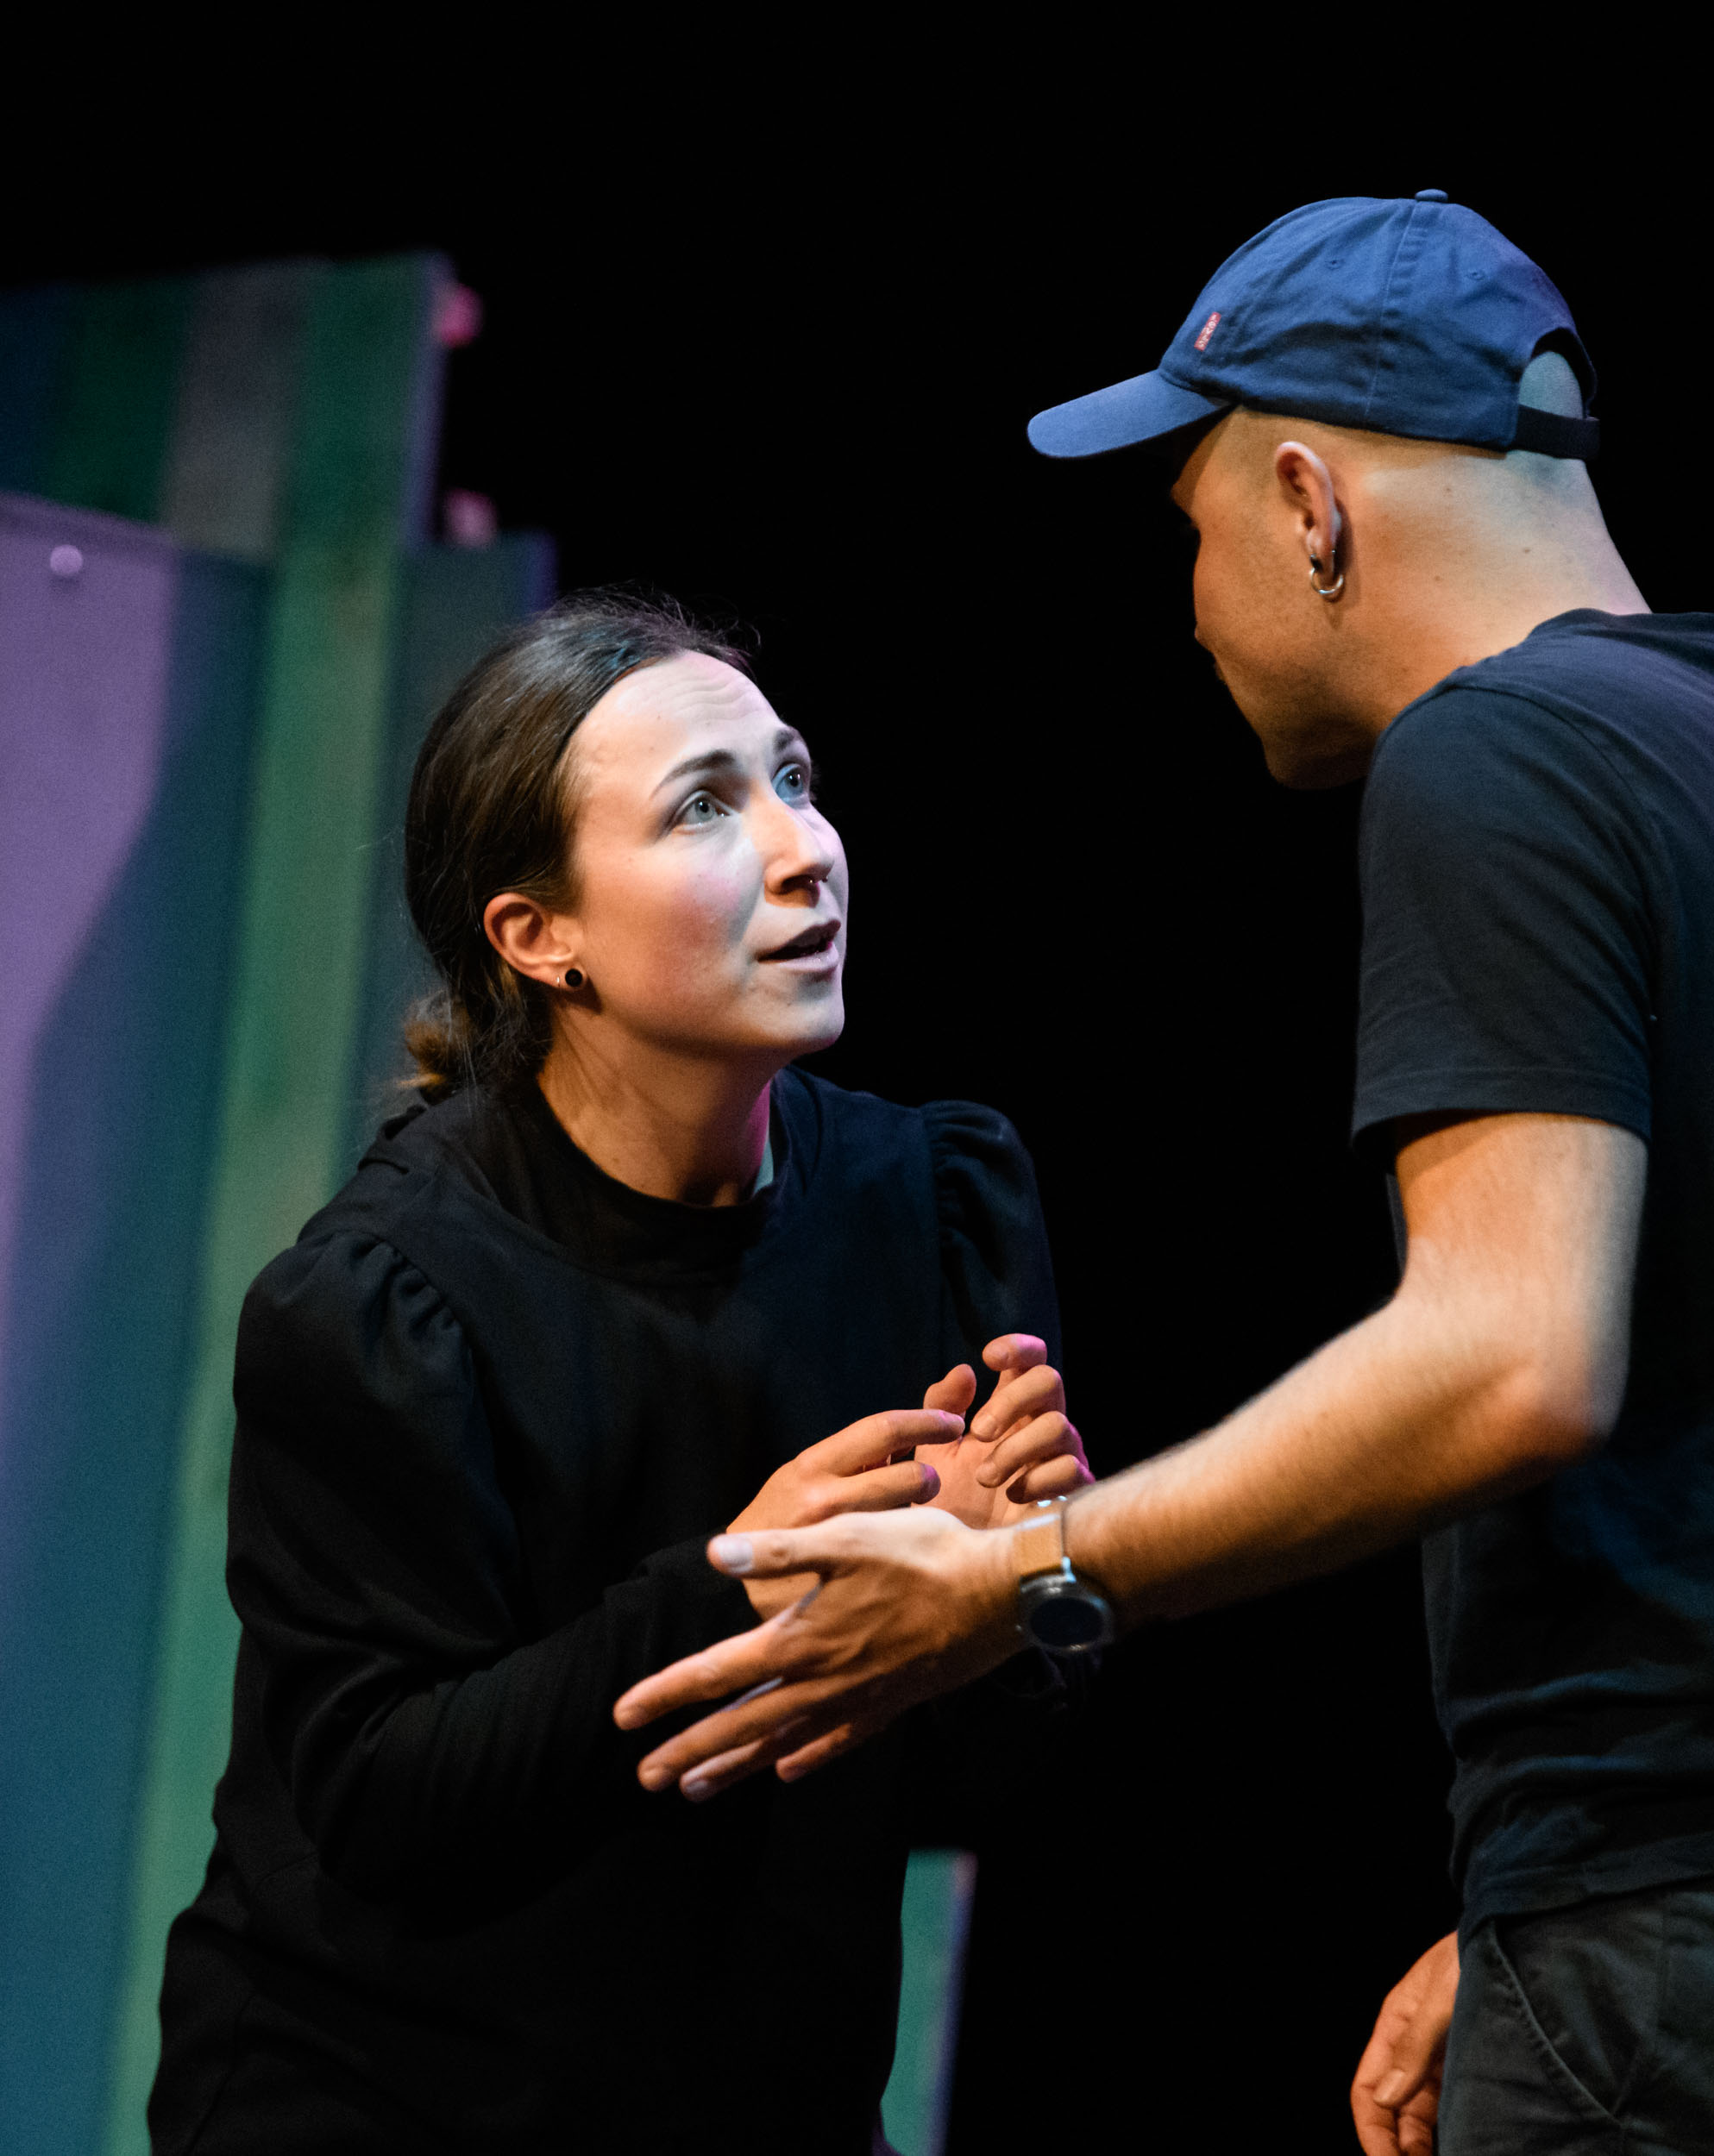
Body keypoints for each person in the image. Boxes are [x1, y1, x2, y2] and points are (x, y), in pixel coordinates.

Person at [613, 197, 1714, 2152]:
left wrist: (1018, 1577)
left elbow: (1512, 1355)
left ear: (1309, 505)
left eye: (1192, 528)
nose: (1192, 605)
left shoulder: (1499, 755)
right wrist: (1566, 1889)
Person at [147, 593, 1089, 2155]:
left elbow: (972, 1786)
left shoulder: (935, 1202)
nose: (805, 849)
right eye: (704, 808)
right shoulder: (386, 1301)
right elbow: (385, 1807)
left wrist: (1016, 1597)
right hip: (390, 2103)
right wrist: (740, 1590)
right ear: (541, 937)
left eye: (794, 778)